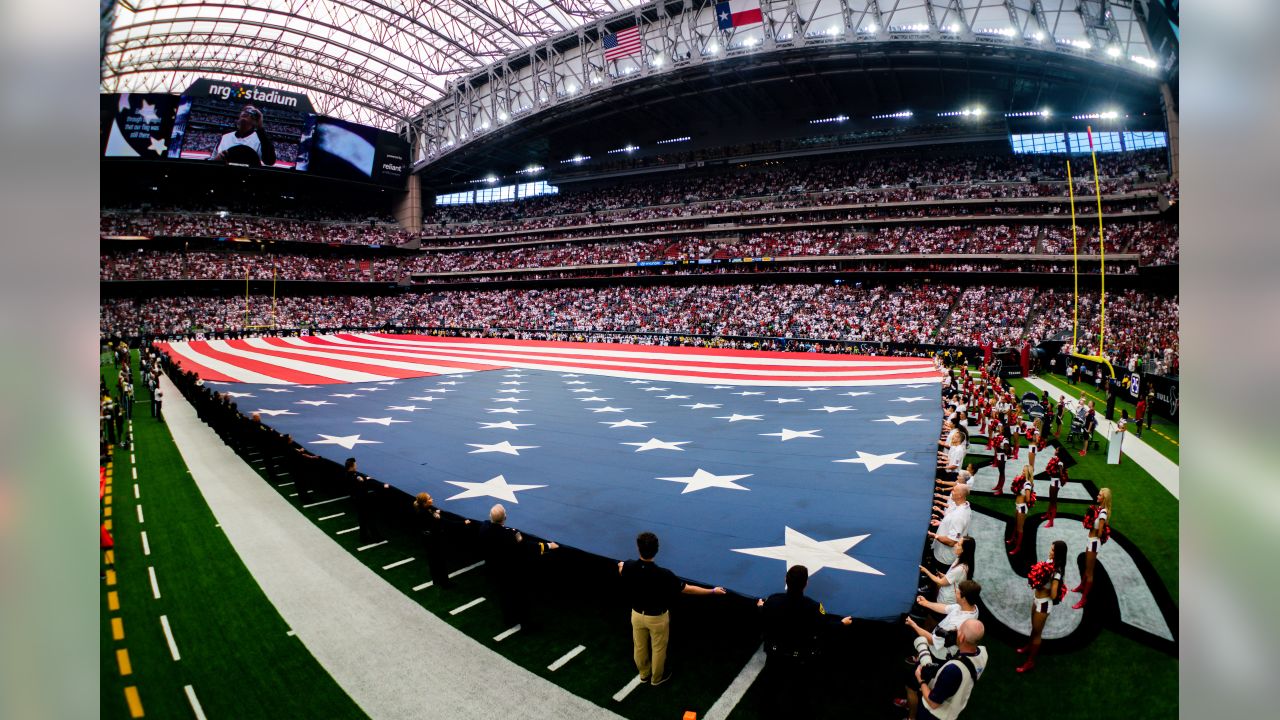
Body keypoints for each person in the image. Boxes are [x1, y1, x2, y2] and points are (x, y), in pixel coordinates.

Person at [618, 531, 725, 686]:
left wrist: (622, 565)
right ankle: (656, 678)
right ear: (657, 549)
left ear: (638, 548)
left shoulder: (629, 566)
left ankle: (644, 674)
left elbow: (622, 569)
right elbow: (687, 589)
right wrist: (712, 591)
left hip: (636, 614)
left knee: (639, 646)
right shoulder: (664, 574)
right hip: (657, 618)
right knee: (659, 648)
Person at [756, 565, 851, 716]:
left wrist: (761, 607)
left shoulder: (773, 600)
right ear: (806, 583)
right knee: (799, 692)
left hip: (775, 655)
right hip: (800, 659)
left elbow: (765, 612)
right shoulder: (813, 607)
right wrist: (842, 623)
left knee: (771, 686)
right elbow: (825, 626)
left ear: (785, 580)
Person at [480, 504, 558, 628]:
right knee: (521, 598)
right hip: (511, 571)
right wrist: (548, 546)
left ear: (490, 516)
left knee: (504, 595)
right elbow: (526, 547)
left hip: (495, 569)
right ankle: (526, 625)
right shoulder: (511, 534)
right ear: (505, 517)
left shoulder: (484, 528)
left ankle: (509, 620)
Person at [901, 619, 988, 720]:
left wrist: (921, 680)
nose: (956, 630)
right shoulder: (983, 652)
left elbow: (933, 703)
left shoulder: (952, 669)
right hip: (955, 707)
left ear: (962, 637)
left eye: (959, 629)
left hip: (934, 715)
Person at [1017, 540, 1067, 673]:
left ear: (1058, 553)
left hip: (1044, 604)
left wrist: (1043, 585)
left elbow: (1054, 595)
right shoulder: (1049, 561)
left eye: (1052, 550)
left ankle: (1030, 662)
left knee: (1037, 632)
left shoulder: (1057, 572)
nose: (1050, 552)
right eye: (1051, 549)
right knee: (1034, 626)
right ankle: (1029, 646)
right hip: (1037, 600)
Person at [904, 579, 982, 665]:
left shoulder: (955, 625)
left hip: (938, 653)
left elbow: (932, 640)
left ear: (964, 599)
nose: (954, 591)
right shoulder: (972, 607)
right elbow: (945, 608)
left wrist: (914, 626)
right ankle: (919, 657)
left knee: (927, 666)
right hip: (940, 640)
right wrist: (926, 603)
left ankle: (921, 662)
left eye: (957, 592)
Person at [412, 492, 469, 588]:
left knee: (432, 561)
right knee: (440, 562)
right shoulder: (429, 515)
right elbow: (448, 523)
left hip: (427, 540)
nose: (432, 499)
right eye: (429, 498)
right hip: (435, 541)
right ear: (425, 503)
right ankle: (445, 583)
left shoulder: (421, 511)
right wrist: (464, 523)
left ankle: (436, 580)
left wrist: (435, 513)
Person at [1072, 488, 1112, 609]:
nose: (1097, 496)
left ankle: (1084, 599)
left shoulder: (1103, 513)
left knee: (1089, 572)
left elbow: (1100, 533)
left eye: (1100, 495)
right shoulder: (1099, 509)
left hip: (1094, 542)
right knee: (1087, 566)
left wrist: (1091, 526)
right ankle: (1081, 586)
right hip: (1091, 541)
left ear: (1104, 498)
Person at [211, 104, 277, 166]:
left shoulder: (260, 139)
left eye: (251, 112)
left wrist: (260, 127)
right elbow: (211, 160)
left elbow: (270, 161)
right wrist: (216, 160)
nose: (246, 112)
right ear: (239, 116)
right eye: (244, 110)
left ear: (255, 118)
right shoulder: (224, 137)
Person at [920, 536, 975, 606]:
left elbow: (940, 582)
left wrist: (926, 571)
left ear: (964, 550)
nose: (955, 545)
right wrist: (944, 576)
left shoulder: (960, 568)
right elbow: (953, 578)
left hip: (946, 600)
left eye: (958, 544)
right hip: (946, 594)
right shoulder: (960, 560)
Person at [928, 485, 971, 571]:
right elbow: (953, 524)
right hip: (942, 552)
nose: (951, 492)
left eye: (954, 491)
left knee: (939, 574)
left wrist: (934, 536)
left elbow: (951, 541)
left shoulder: (960, 515)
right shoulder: (960, 507)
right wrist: (941, 523)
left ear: (960, 495)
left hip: (944, 556)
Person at [1006, 464, 1035, 555]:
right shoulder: (1022, 481)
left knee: (1020, 528)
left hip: (1022, 507)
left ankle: (1018, 547)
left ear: (1028, 473)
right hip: (1018, 505)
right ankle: (1013, 538)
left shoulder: (1027, 484)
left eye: (1024, 471)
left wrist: (1019, 493)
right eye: (1022, 470)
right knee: (1016, 523)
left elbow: (1027, 499)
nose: (1022, 472)